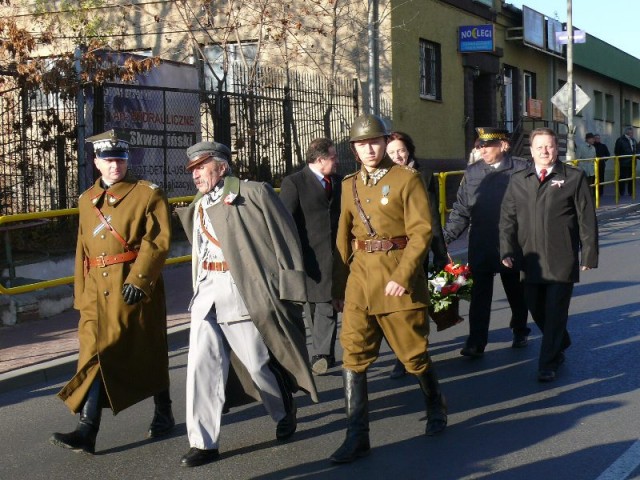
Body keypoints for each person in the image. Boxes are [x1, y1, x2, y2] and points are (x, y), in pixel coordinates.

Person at [175, 141, 319, 468]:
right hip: (206, 290)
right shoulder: (197, 205)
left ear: (222, 167)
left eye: (201, 167)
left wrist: (291, 289)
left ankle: (283, 409)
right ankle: (203, 442)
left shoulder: (254, 193)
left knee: (256, 362)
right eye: (193, 169)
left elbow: (286, 238)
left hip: (240, 290)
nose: (196, 175)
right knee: (201, 367)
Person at [330, 114, 447, 465]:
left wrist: (404, 274)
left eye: (375, 142)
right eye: (361, 144)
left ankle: (435, 403)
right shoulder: (349, 184)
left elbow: (421, 232)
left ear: (384, 143)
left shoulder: (405, 180)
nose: (369, 148)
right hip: (360, 282)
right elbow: (343, 237)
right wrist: (339, 287)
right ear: (353, 148)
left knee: (413, 355)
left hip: (397, 281)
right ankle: (357, 436)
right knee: (352, 355)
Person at [50, 130, 174, 455]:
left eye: (120, 158)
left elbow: (157, 241)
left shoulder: (147, 193)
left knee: (147, 348)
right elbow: (83, 249)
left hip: (130, 283)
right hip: (95, 291)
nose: (115, 165)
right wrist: (81, 293)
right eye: (108, 159)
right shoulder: (86, 199)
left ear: (127, 159)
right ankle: (87, 430)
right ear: (96, 163)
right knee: (92, 354)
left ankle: (164, 410)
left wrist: (140, 279)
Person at [500, 127, 598, 382]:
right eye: (539, 146)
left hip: (561, 257)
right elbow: (507, 219)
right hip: (530, 258)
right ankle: (560, 340)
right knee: (536, 309)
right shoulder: (518, 179)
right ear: (531, 150)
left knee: (555, 312)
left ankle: (548, 362)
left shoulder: (574, 178)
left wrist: (588, 254)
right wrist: (507, 249)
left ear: (557, 148)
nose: (545, 151)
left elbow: (586, 219)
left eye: (550, 146)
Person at [443, 127, 530, 358]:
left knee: (515, 290)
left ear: (503, 145)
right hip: (481, 241)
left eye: (487, 145)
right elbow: (461, 209)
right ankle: (476, 342)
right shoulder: (472, 172)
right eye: (479, 146)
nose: (482, 150)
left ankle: (520, 329)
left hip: (512, 243)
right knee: (480, 295)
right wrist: (445, 238)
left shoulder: (521, 168)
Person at [386, 131, 449, 379]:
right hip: (390, 252)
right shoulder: (382, 177)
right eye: (391, 153)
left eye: (400, 150)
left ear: (409, 149)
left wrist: (441, 254)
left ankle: (413, 352)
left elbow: (432, 216)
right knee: (394, 306)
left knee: (414, 303)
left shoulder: (423, 174)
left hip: (416, 249)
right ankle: (402, 354)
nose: (397, 156)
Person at [280, 138, 342, 376]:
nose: (337, 161)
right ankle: (326, 354)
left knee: (328, 304)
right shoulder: (294, 183)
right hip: (309, 257)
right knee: (314, 308)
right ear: (319, 160)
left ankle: (320, 354)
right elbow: (285, 220)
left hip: (335, 255)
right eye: (333, 157)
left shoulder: (339, 182)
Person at [613, 127, 637, 196]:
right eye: (632, 132)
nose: (633, 134)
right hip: (624, 163)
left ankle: (631, 192)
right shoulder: (620, 140)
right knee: (622, 178)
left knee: (632, 178)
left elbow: (635, 150)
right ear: (628, 133)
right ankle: (621, 192)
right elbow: (617, 151)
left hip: (632, 162)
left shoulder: (633, 140)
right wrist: (621, 159)